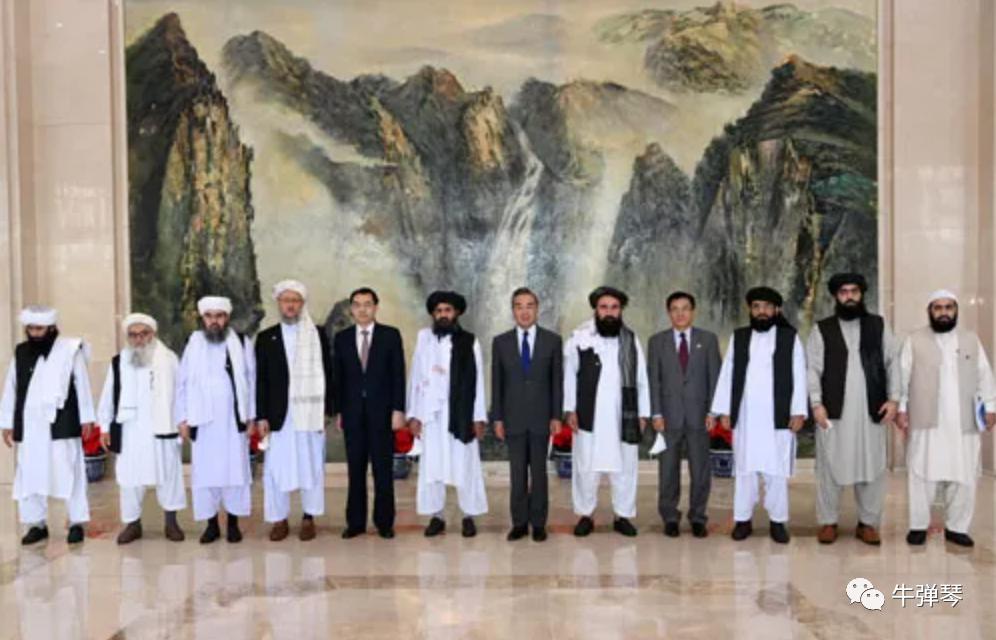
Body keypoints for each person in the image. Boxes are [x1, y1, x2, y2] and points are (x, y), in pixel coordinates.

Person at [897, 289, 996, 547]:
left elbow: (985, 376)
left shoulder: (971, 339)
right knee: (921, 471)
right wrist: (902, 409)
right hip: (925, 418)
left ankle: (957, 527)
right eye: (938, 308)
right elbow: (902, 377)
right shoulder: (915, 340)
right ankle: (918, 525)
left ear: (956, 311)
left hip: (963, 420)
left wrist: (991, 406)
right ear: (929, 311)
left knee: (964, 473)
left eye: (948, 307)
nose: (943, 313)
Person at [806, 273, 899, 545]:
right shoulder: (822, 329)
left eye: (854, 291)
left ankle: (867, 523)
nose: (849, 296)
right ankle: (828, 522)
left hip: (871, 409)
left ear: (861, 294)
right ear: (836, 296)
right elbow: (813, 369)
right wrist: (816, 403)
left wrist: (894, 399)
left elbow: (893, 361)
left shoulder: (878, 326)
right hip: (833, 412)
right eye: (844, 292)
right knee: (829, 466)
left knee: (872, 466)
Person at [711, 287, 807, 544]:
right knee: (745, 470)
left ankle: (778, 521)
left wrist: (798, 411)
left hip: (778, 416)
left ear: (776, 310)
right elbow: (727, 374)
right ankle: (743, 520)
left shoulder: (789, 338)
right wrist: (724, 411)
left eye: (766, 307)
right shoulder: (739, 337)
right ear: (750, 310)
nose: (761, 311)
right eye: (756, 307)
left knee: (776, 471)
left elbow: (799, 374)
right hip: (746, 416)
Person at [0, 306, 96, 545]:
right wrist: (7, 422)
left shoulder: (69, 350)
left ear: (51, 328)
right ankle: (36, 524)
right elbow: (11, 387)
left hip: (62, 421)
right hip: (31, 424)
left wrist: (86, 418)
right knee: (29, 472)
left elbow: (82, 384)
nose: (35, 333)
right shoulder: (21, 352)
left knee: (69, 471)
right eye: (31, 329)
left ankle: (76, 522)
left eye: (39, 329)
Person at [564, 286, 650, 537]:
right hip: (589, 413)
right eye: (604, 307)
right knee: (586, 468)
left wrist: (643, 413)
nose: (609, 313)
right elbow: (569, 375)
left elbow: (641, 379)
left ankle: (623, 515)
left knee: (625, 467)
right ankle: (585, 515)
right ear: (596, 310)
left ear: (620, 310)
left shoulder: (631, 339)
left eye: (614, 308)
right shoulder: (580, 337)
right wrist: (569, 409)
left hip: (623, 415)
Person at [255, 280, 333, 542]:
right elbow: (261, 380)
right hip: (279, 415)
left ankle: (309, 517)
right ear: (279, 303)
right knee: (277, 468)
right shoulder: (266, 338)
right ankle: (279, 519)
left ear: (302, 304)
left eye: (295, 300)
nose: (290, 305)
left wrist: (327, 409)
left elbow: (329, 373)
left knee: (311, 464)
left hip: (310, 413)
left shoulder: (317, 335)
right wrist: (261, 415)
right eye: (286, 300)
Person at [97, 312, 185, 544]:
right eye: (133, 335)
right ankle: (132, 524)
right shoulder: (118, 362)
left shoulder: (169, 359)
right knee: (130, 478)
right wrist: (104, 427)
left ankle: (171, 522)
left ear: (152, 334)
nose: (138, 339)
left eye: (143, 334)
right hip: (130, 430)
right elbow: (108, 396)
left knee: (168, 474)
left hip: (162, 427)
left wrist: (183, 421)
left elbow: (181, 393)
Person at [175, 296, 256, 544]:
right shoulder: (193, 344)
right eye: (209, 316)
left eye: (219, 316)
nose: (214, 321)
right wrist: (182, 418)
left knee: (235, 472)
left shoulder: (240, 342)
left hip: (233, 419)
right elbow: (182, 383)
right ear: (203, 318)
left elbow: (251, 381)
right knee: (206, 474)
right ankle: (211, 525)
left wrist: (251, 416)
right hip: (203, 422)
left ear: (227, 318)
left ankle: (233, 524)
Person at [407, 291, 488, 537]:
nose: (443, 315)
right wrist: (414, 414)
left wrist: (478, 417)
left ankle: (469, 516)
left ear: (456, 313)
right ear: (433, 314)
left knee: (465, 463)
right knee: (432, 464)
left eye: (448, 310)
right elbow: (415, 377)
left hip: (460, 412)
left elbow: (477, 382)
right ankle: (436, 516)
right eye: (439, 311)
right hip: (431, 414)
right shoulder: (424, 339)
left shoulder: (469, 341)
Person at [490, 287, 563, 542]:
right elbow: (497, 383)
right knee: (517, 473)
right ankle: (519, 523)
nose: (524, 311)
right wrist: (497, 418)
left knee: (540, 474)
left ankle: (539, 523)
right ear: (513, 310)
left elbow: (557, 382)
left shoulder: (552, 341)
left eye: (529, 306)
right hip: (513, 418)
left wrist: (556, 416)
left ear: (537, 309)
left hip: (542, 418)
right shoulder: (501, 342)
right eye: (519, 306)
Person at [333, 286, 406, 539]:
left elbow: (398, 375)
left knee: (382, 470)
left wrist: (398, 409)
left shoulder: (390, 335)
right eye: (357, 305)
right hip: (352, 413)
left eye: (367, 304)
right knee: (355, 470)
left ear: (375, 307)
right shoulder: (342, 338)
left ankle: (384, 522)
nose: (362, 309)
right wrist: (339, 410)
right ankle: (355, 523)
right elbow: (338, 378)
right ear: (351, 309)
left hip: (382, 413)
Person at [647, 291, 721, 538]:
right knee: (668, 470)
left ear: (693, 312)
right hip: (668, 417)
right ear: (669, 313)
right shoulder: (657, 342)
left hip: (700, 416)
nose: (680, 314)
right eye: (675, 309)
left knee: (700, 470)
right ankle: (670, 516)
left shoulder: (708, 340)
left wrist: (713, 411)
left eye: (685, 308)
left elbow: (715, 378)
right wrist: (655, 412)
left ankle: (698, 517)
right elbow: (653, 380)